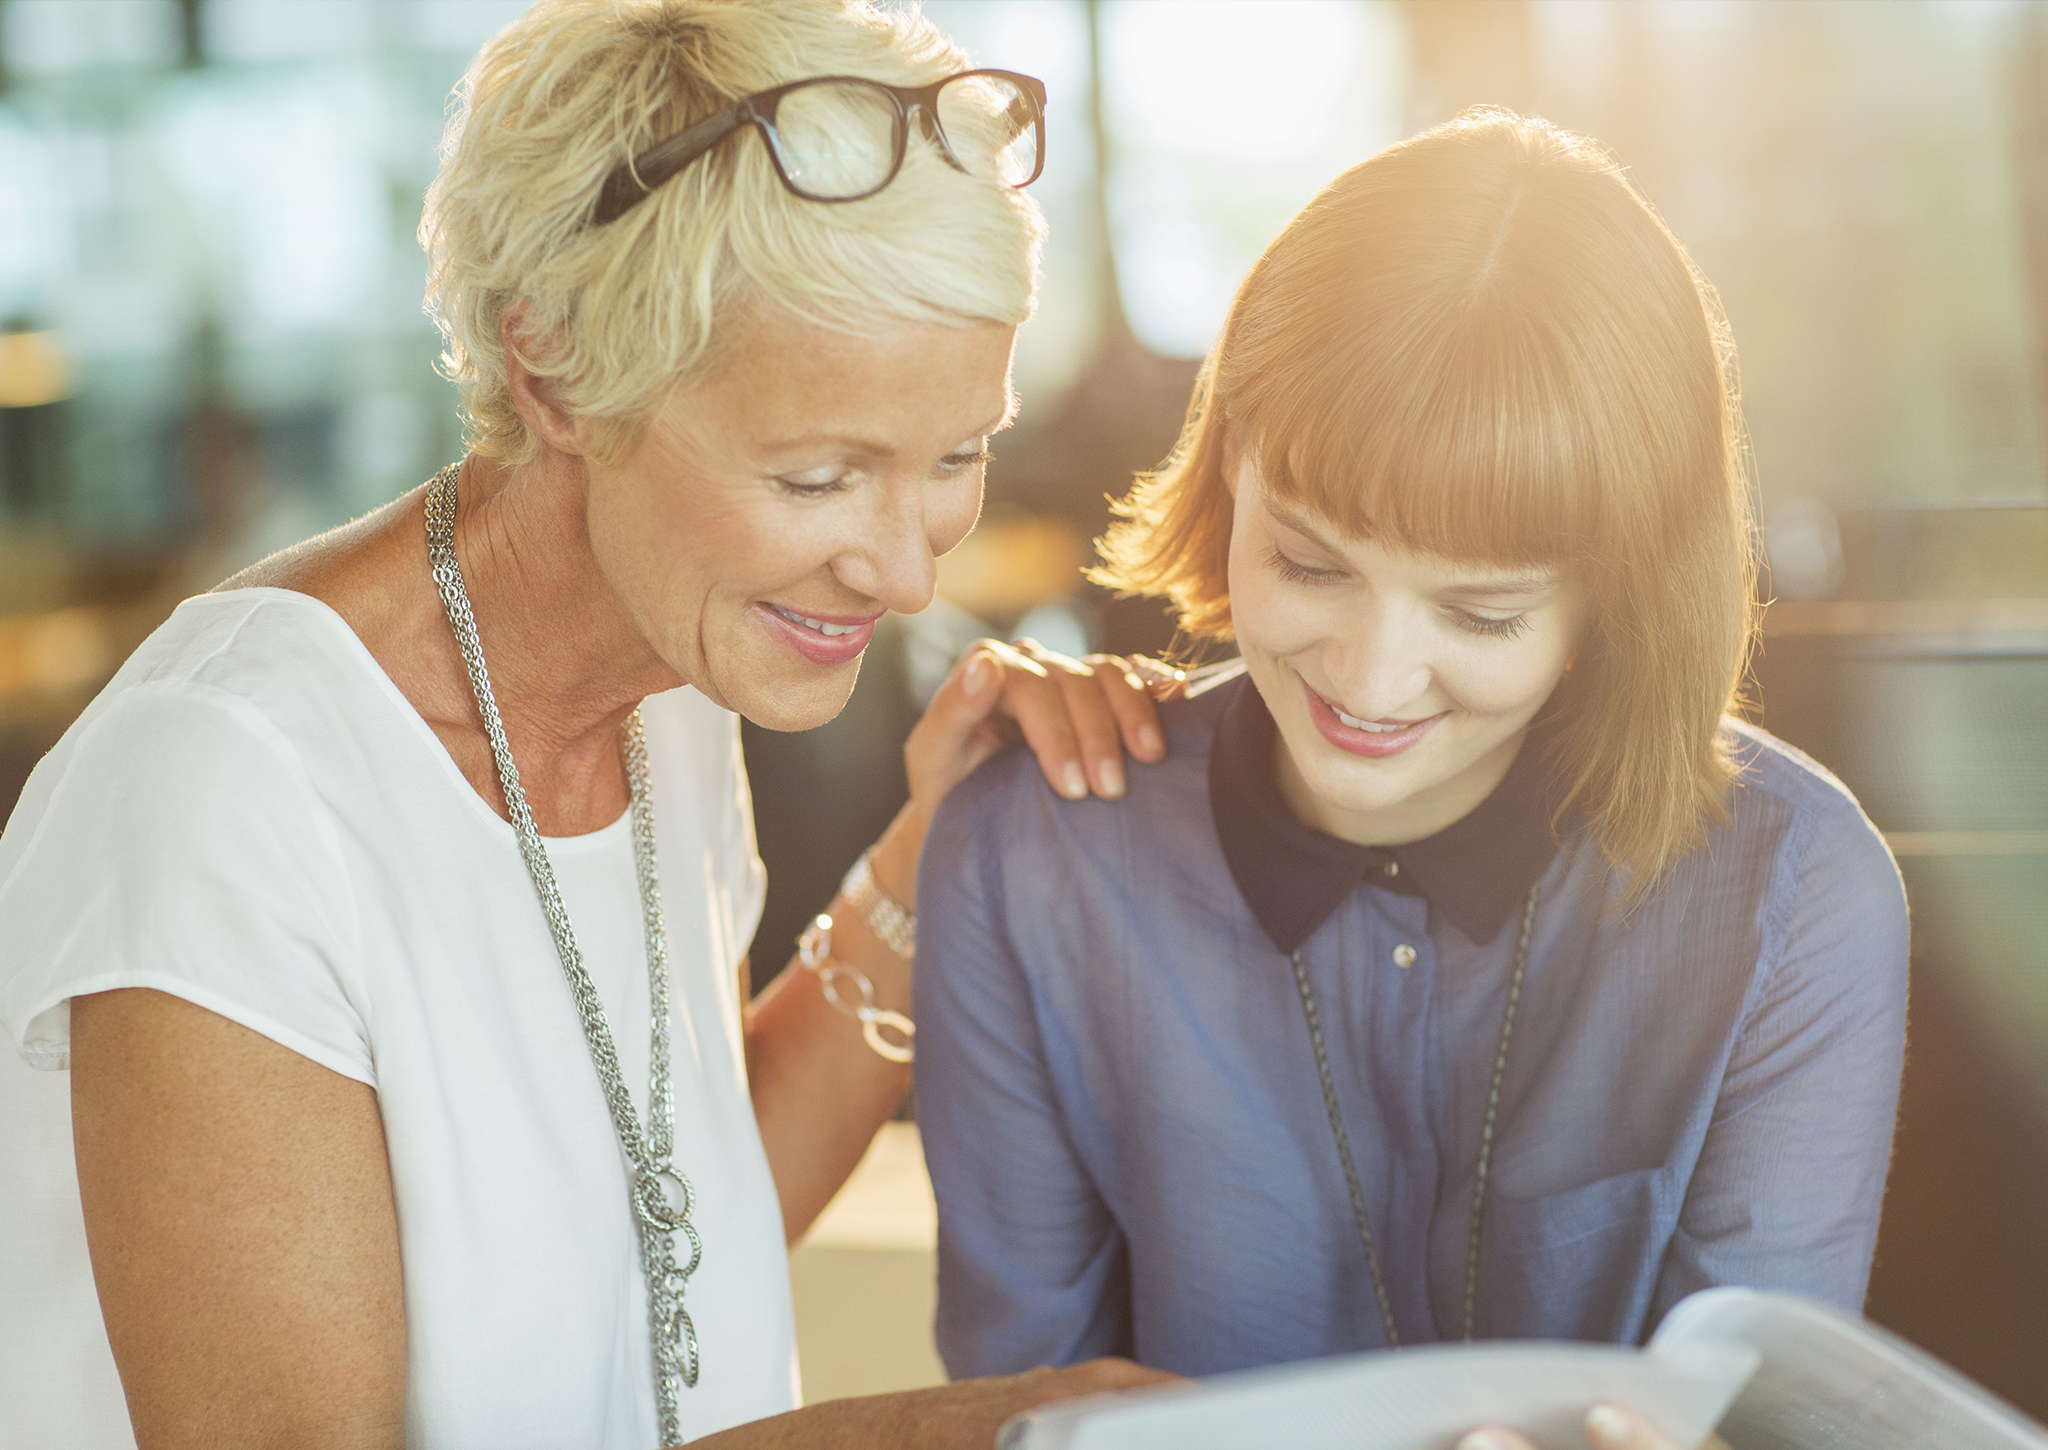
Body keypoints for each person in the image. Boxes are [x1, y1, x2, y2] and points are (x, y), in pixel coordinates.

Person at [0, 2, 1180, 1446]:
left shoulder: (674, 674)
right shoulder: (224, 788)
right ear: (554, 371)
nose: (906, 565)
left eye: (956, 455)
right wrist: (945, 1433)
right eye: (818, 477)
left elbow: (665, 1218)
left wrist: (941, 850)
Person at [915, 108, 1910, 1442]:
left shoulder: (1796, 896)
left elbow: (1760, 1416)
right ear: (1228, 473)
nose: (1371, 681)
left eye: (1482, 614)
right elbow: (1023, 1416)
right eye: (1311, 564)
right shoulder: (1028, 861)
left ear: (1618, 595)